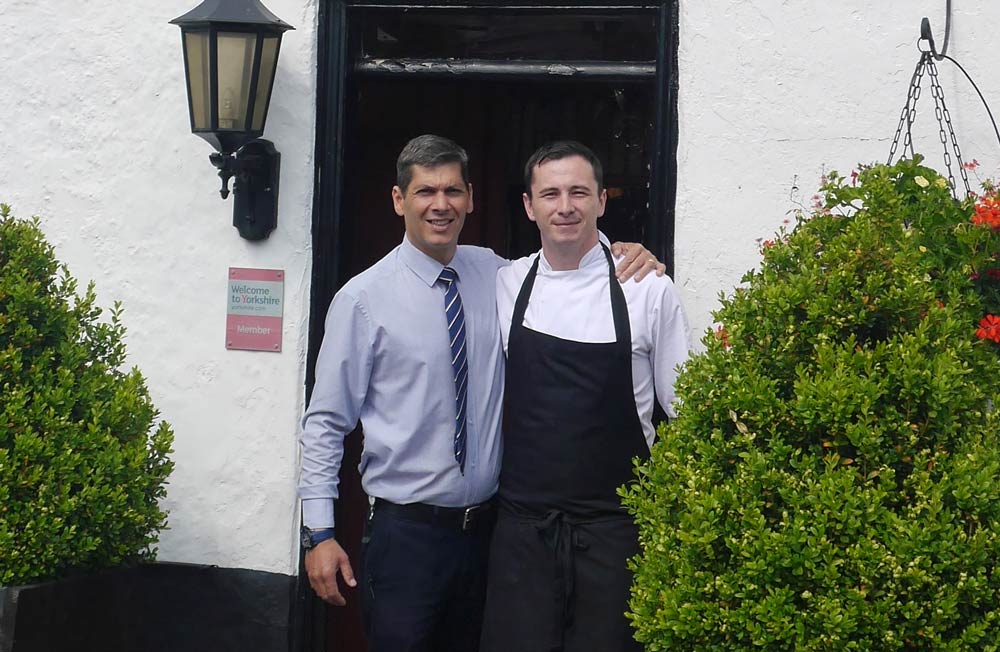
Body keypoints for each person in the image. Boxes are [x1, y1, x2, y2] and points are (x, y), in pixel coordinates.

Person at [298, 134, 663, 652]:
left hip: (492, 534)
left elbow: (566, 257)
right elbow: (326, 421)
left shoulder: (498, 274)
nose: (440, 205)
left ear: (470, 198)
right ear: (400, 200)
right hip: (408, 535)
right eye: (425, 192)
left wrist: (624, 251)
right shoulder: (361, 300)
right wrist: (319, 533)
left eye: (452, 190)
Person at [481, 140, 692, 652]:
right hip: (524, 532)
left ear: (602, 200)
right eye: (549, 194)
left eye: (579, 191)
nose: (565, 206)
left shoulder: (647, 288)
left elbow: (686, 409)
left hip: (616, 530)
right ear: (529, 207)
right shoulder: (505, 281)